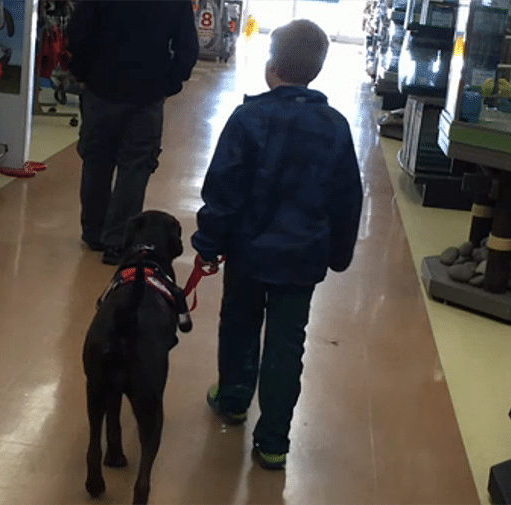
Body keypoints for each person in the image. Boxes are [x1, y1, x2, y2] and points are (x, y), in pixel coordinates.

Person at [191, 19, 364, 470]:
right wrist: (339, 253)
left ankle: (232, 398)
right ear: (317, 70)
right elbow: (347, 197)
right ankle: (274, 442)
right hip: (303, 258)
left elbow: (223, 189)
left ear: (271, 66)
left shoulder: (248, 118)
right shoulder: (335, 127)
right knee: (288, 344)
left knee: (239, 326)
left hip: (249, 253)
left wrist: (209, 243)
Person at [67, 0, 199, 265]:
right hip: (147, 92)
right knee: (136, 166)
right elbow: (187, 46)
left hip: (101, 87)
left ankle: (94, 231)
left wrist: (83, 73)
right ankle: (118, 241)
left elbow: (78, 33)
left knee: (96, 160)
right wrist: (170, 81)